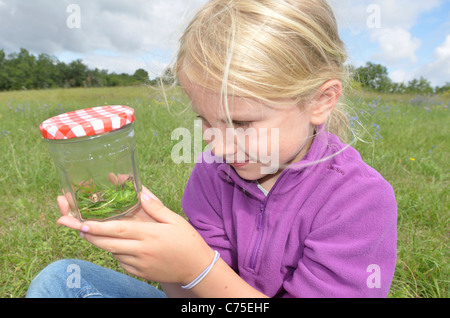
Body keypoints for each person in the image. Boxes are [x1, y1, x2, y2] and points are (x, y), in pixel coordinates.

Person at [27, 0, 397, 298]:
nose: (218, 144)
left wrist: (197, 268)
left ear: (321, 101)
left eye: (241, 123)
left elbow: (203, 276)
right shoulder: (212, 172)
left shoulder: (360, 200)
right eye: (205, 120)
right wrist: (155, 253)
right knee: (59, 281)